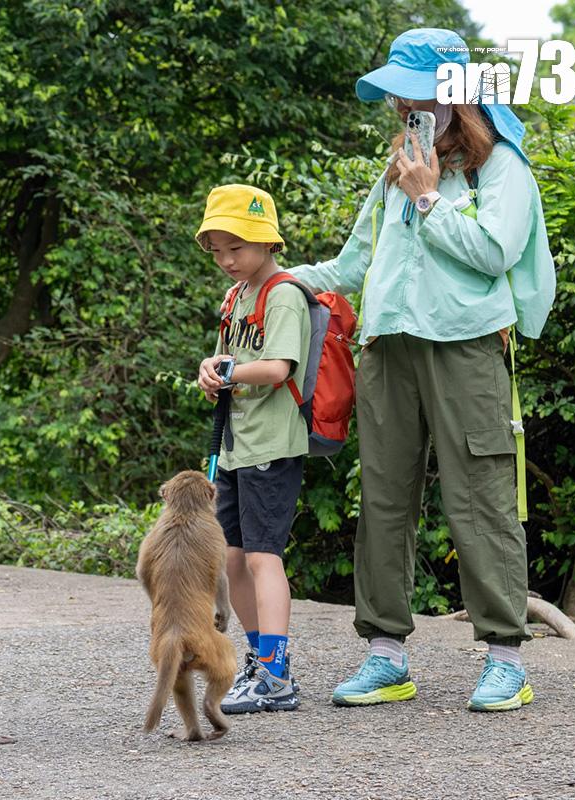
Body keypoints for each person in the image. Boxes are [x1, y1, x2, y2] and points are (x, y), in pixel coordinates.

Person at [288, 28, 556, 712]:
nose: (404, 101)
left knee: (481, 496)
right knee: (382, 500)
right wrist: (274, 279)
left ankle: (504, 659)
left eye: (417, 89)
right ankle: (385, 656)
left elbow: (495, 252)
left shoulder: (503, 171)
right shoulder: (397, 171)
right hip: (388, 347)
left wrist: (431, 198)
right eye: (399, 91)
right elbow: (350, 266)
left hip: (465, 346)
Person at [195, 184, 309, 713]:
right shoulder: (236, 296)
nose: (226, 260)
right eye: (217, 250)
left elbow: (278, 368)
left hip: (272, 445)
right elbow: (227, 358)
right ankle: (260, 660)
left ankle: (276, 674)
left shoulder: (283, 293)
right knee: (234, 558)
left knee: (264, 556)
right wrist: (210, 370)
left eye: (235, 247)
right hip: (237, 447)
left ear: (265, 240)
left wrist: (228, 371)